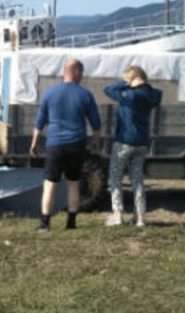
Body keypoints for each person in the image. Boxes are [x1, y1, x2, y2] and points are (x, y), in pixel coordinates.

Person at [29, 58, 102, 231]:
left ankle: (45, 224)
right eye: (82, 72)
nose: (82, 76)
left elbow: (39, 122)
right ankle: (71, 223)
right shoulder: (85, 95)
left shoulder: (49, 93)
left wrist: (34, 142)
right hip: (76, 144)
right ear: (76, 71)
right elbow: (96, 124)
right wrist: (96, 142)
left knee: (50, 183)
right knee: (73, 182)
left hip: (54, 144)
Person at [103, 65, 163, 227]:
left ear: (132, 77)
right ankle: (140, 217)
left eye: (126, 77)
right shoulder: (152, 94)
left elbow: (108, 90)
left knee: (115, 178)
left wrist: (124, 83)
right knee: (137, 180)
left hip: (124, 142)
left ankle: (117, 215)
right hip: (142, 143)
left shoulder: (129, 95)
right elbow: (152, 92)